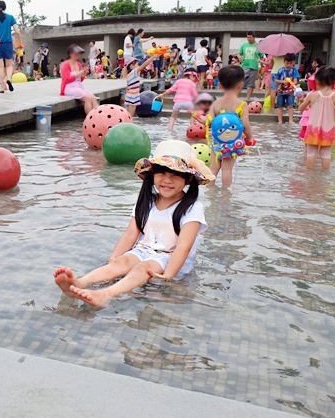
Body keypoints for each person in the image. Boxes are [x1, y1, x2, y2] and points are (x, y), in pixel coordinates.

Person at [54, 140, 214, 308]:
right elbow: (131, 233)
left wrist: (168, 275)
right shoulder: (147, 202)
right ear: (152, 175)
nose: (167, 180)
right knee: (121, 263)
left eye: (175, 174)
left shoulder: (192, 208)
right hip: (143, 251)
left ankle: (105, 295)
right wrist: (114, 258)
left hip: (170, 258)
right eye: (161, 173)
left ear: (188, 179)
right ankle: (80, 283)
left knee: (142, 268)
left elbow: (183, 247)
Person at [206, 65, 254, 186]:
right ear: (240, 84)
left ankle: (209, 193)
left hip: (217, 141)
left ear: (220, 85)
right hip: (232, 143)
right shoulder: (241, 105)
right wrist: (250, 138)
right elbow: (245, 124)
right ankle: (225, 196)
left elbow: (210, 121)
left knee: (213, 168)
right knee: (227, 169)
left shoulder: (216, 103)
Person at [298, 67, 335, 169]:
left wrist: (304, 103)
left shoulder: (312, 95)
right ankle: (325, 176)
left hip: (313, 129)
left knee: (310, 153)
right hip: (328, 130)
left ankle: (309, 176)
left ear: (317, 81)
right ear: (334, 81)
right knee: (326, 154)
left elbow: (301, 108)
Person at [0, 0, 22, 93]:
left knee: (0, 66)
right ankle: (8, 79)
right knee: (9, 65)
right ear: (5, 7)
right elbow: (17, 31)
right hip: (8, 44)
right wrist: (19, 42)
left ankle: (2, 87)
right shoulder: (10, 18)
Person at [60, 44, 99, 115]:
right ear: (70, 54)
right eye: (76, 53)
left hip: (79, 86)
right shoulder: (65, 64)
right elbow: (66, 79)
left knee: (93, 97)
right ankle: (90, 118)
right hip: (69, 87)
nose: (78, 55)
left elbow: (80, 80)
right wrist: (78, 73)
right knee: (87, 97)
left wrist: (84, 74)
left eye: (78, 53)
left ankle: (97, 116)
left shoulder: (79, 64)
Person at [273, 53, 300, 125]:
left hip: (290, 92)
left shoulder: (294, 70)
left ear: (294, 62)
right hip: (281, 91)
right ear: (284, 62)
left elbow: (295, 81)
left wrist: (292, 83)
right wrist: (283, 81)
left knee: (290, 106)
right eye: (287, 63)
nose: (288, 65)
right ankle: (280, 120)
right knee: (280, 106)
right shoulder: (280, 70)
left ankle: (291, 120)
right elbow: (276, 80)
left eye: (290, 63)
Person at [238, 31, 264, 101]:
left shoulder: (258, 46)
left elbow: (262, 57)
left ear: (254, 37)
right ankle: (237, 97)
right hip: (244, 66)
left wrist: (261, 65)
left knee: (250, 84)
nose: (248, 39)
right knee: (241, 82)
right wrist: (239, 57)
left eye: (250, 37)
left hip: (254, 67)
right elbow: (239, 54)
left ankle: (247, 98)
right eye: (247, 37)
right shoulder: (244, 45)